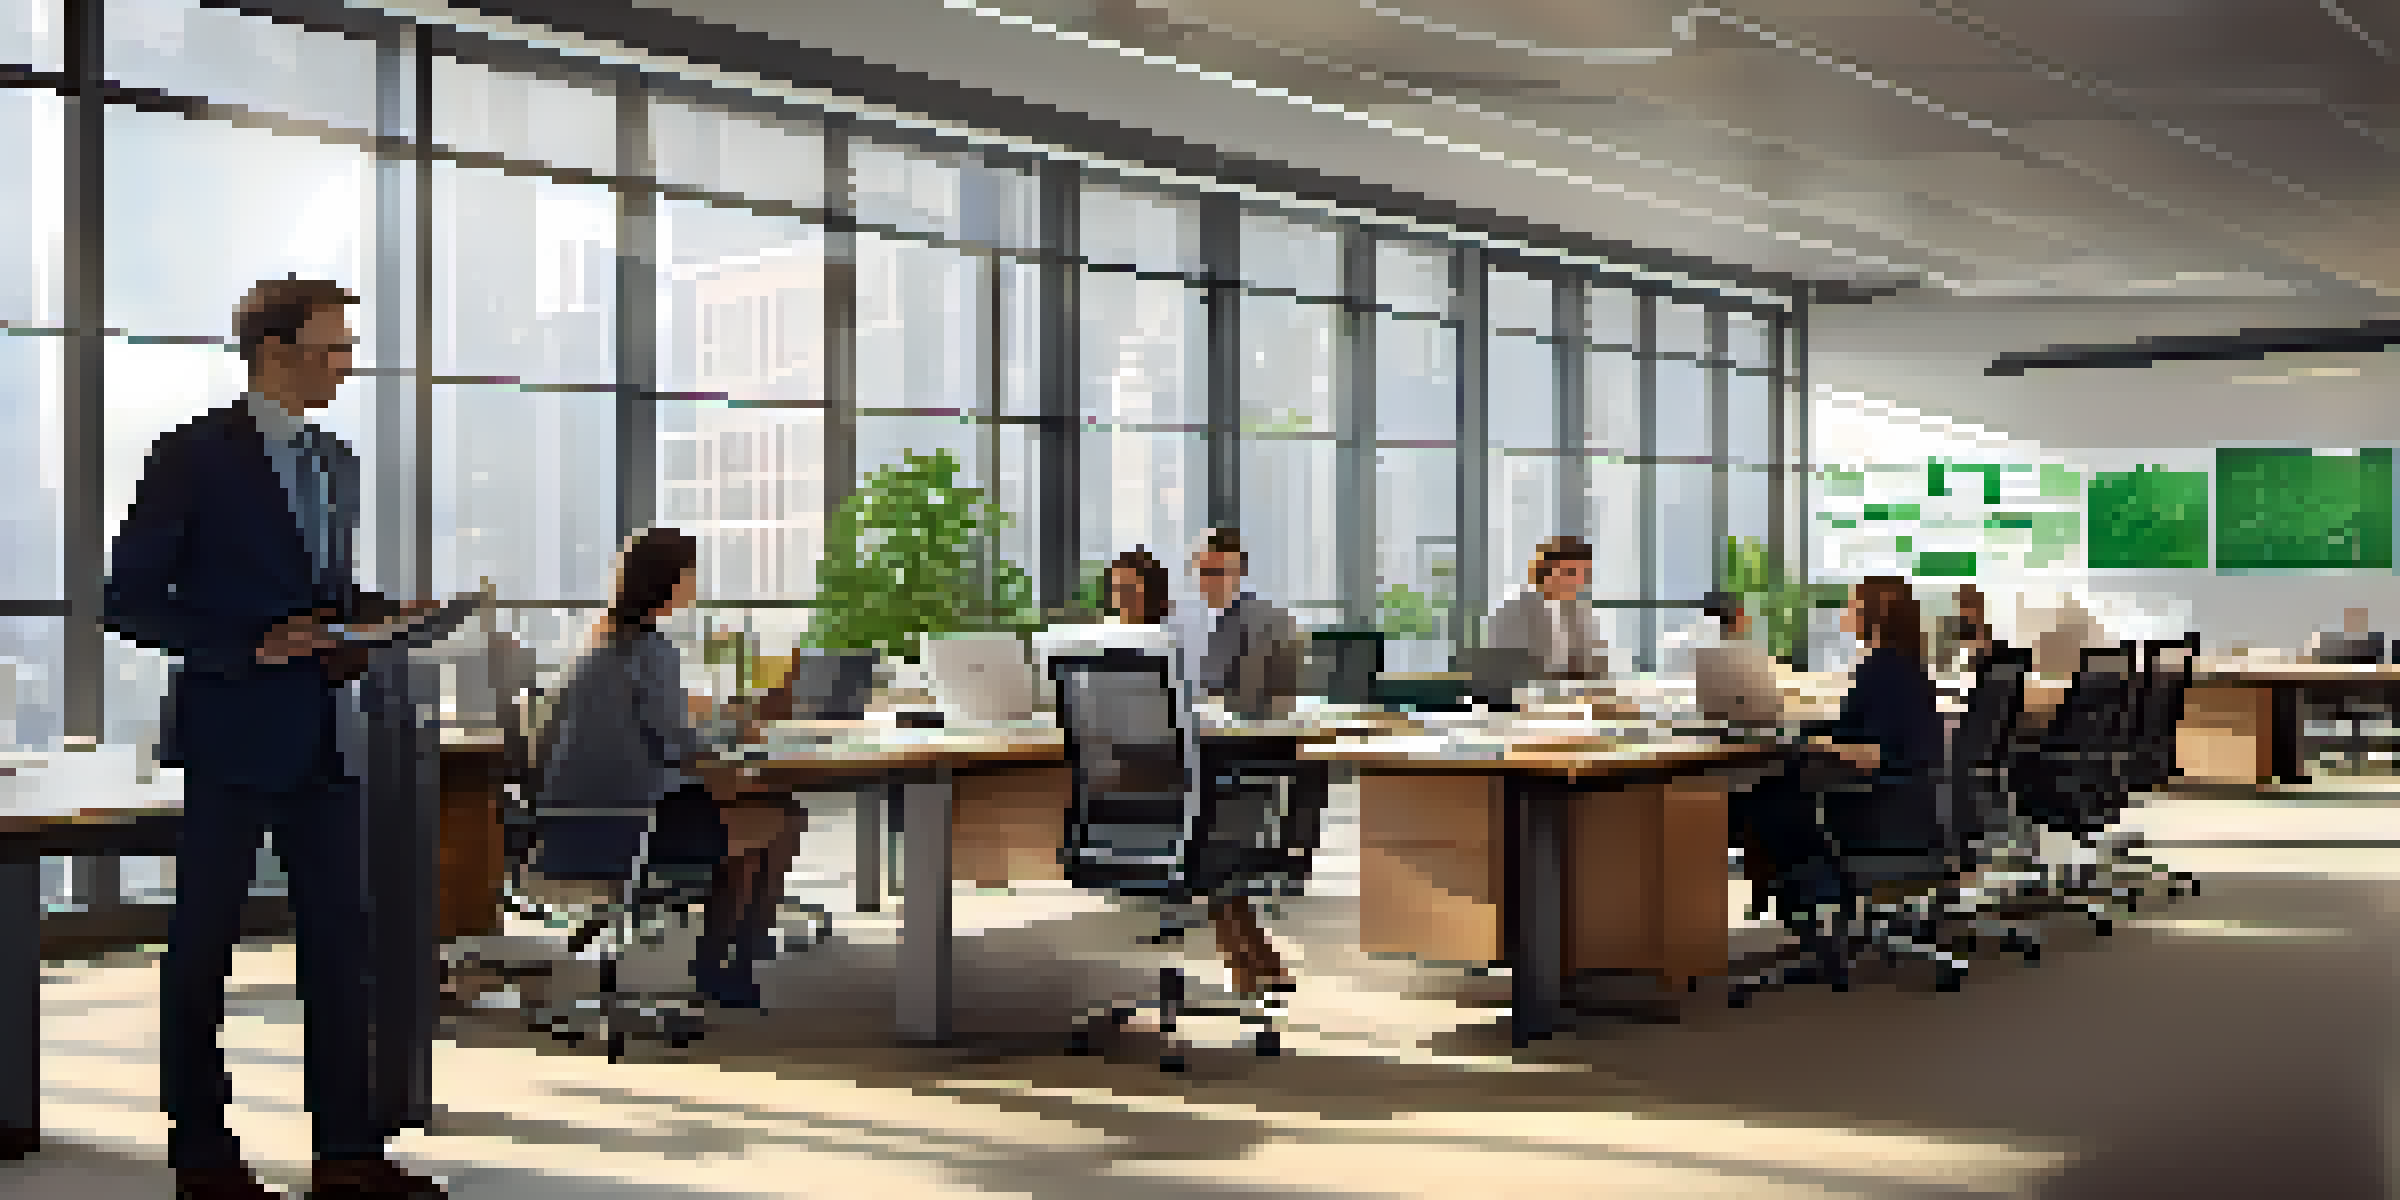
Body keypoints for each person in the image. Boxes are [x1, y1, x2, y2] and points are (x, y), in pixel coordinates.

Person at [103, 278, 446, 1198]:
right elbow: (126, 600)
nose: (346, 363)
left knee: (342, 948)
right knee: (203, 949)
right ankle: (203, 1157)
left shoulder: (339, 462)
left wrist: (378, 621)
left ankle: (346, 1153)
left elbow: (322, 598)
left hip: (327, 738)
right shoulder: (191, 458)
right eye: (332, 348)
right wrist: (247, 642)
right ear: (272, 350)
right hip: (230, 735)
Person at [535, 527, 802, 1012]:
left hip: (572, 824)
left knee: (768, 813)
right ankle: (725, 966)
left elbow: (658, 728)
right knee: (777, 820)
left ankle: (737, 955)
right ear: (669, 581)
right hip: (633, 824)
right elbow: (676, 743)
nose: (695, 583)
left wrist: (717, 744)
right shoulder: (652, 650)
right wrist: (729, 759)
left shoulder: (597, 643)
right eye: (690, 572)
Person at [1176, 528, 1303, 719]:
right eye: (1204, 572)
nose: (1210, 580)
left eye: (1220, 572)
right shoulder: (1183, 623)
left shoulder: (1271, 624)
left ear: (1240, 573)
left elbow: (1273, 701)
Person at [1485, 536, 1607, 680]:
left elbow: (1596, 664)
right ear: (1545, 570)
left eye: (1584, 574)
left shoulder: (1578, 613)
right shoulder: (1514, 611)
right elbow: (1508, 668)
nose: (1579, 582)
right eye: (1571, 572)